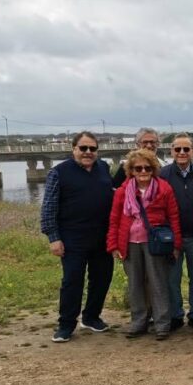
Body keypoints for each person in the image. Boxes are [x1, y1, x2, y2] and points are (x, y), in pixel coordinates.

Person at [40, 131, 115, 343]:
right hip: (72, 237)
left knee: (102, 278)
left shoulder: (103, 168)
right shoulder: (59, 172)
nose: (88, 152)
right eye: (83, 148)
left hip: (101, 236)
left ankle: (91, 317)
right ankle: (66, 325)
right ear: (74, 149)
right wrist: (53, 237)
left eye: (92, 149)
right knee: (72, 281)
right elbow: (48, 208)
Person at [106, 149, 183, 341]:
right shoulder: (123, 192)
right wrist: (113, 245)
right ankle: (139, 321)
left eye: (147, 167)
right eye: (137, 168)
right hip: (130, 243)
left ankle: (162, 324)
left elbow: (174, 217)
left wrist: (176, 245)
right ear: (130, 170)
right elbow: (114, 219)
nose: (143, 171)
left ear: (153, 169)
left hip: (154, 242)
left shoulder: (164, 189)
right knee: (135, 284)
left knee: (158, 283)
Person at [160, 134, 193, 332]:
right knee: (172, 277)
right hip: (171, 237)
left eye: (186, 149)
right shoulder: (163, 174)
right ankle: (175, 315)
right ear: (171, 151)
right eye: (177, 149)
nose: (182, 153)